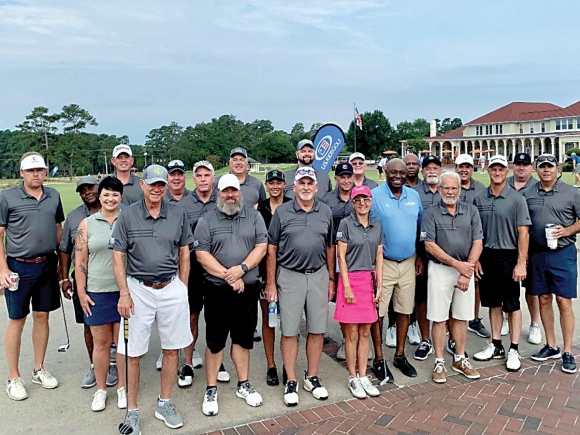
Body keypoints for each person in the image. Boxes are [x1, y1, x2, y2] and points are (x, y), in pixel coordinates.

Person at [112, 164, 193, 433]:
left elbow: (184, 251)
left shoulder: (178, 214)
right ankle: (132, 410)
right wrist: (124, 292)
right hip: (137, 289)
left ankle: (164, 402)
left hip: (171, 286)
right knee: (132, 352)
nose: (157, 189)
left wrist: (182, 286)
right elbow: (118, 256)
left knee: (172, 348)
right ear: (142, 186)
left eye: (162, 184)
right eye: (153, 184)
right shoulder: (127, 215)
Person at [194, 173, 268, 416]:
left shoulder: (255, 217)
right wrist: (229, 275)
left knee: (243, 339)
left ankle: (243, 384)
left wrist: (241, 270)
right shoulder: (206, 220)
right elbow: (202, 255)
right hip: (216, 291)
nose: (229, 195)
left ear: (240, 193)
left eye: (233, 191)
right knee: (215, 342)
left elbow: (261, 247)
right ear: (218, 193)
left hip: (247, 290)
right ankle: (211, 388)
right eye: (225, 191)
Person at [266, 167, 335, 407]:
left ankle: (311, 377)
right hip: (290, 276)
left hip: (318, 274)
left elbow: (330, 247)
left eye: (310, 183)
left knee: (317, 330)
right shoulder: (282, 212)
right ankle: (291, 380)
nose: (306, 187)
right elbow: (272, 247)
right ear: (293, 187)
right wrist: (271, 281)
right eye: (301, 183)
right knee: (290, 331)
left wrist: (331, 279)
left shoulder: (325, 211)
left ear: (316, 187)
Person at [1, 152, 63, 401]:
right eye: (31, 170)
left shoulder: (54, 196)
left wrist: (62, 261)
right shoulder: (7, 197)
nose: (36, 174)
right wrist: (3, 269)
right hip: (19, 265)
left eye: (40, 170)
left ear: (45, 172)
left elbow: (58, 228)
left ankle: (38, 368)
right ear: (22, 173)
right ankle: (13, 377)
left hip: (47, 263)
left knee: (42, 315)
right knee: (17, 320)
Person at [160, 159, 218, 386]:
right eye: (199, 176)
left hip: (215, 267)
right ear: (194, 179)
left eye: (207, 176)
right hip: (192, 268)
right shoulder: (183, 204)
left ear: (213, 178)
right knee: (191, 315)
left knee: (215, 317)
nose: (203, 180)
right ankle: (188, 363)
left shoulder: (220, 200)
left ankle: (217, 359)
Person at [422, 172, 483, 383]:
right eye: (445, 188)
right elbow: (429, 244)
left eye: (453, 188)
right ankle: (439, 361)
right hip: (441, 269)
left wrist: (467, 268)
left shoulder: (471, 211)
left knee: (462, 316)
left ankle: (459, 358)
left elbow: (478, 242)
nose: (450, 192)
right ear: (439, 190)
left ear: (460, 189)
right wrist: (457, 265)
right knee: (439, 317)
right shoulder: (430, 213)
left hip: (466, 268)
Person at [472, 155, 531, 372]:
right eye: (493, 169)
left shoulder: (517, 199)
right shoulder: (479, 199)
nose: (497, 173)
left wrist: (521, 263)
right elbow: (475, 232)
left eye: (501, 170)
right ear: (488, 171)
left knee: (512, 305)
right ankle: (496, 344)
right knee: (493, 304)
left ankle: (513, 348)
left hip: (509, 256)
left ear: (507, 172)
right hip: (487, 256)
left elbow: (523, 233)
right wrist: (476, 258)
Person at [59, 176, 118, 389]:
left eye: (91, 188)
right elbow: (65, 248)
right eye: (82, 190)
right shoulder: (76, 218)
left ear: (99, 188)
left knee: (117, 329)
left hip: (117, 282)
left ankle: (113, 364)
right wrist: (64, 277)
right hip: (86, 281)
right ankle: (95, 365)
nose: (87, 192)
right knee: (89, 324)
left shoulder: (120, 212)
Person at [524, 154, 580, 374]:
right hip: (537, 253)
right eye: (542, 167)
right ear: (536, 170)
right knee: (543, 298)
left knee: (564, 302)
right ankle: (551, 345)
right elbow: (524, 225)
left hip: (563, 253)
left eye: (550, 166)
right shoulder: (528, 193)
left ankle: (567, 351)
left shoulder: (572, 193)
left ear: (557, 169)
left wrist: (566, 230)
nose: (546, 170)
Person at [74, 176, 124, 411]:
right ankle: (101, 390)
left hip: (125, 292)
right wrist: (81, 292)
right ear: (100, 196)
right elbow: (80, 261)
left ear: (121, 197)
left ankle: (123, 387)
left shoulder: (129, 219)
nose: (110, 198)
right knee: (101, 343)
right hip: (97, 291)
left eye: (115, 194)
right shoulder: (87, 224)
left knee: (123, 344)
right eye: (106, 194)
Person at [371, 158, 423, 378]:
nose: (398, 176)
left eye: (402, 172)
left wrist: (419, 255)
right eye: (393, 172)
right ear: (385, 172)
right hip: (384, 263)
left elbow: (420, 228)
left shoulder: (414, 196)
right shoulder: (375, 196)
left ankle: (400, 355)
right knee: (379, 313)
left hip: (409, 261)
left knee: (404, 310)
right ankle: (379, 358)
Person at [335, 185, 382, 399]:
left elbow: (379, 256)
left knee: (365, 332)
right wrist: (346, 286)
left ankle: (364, 375)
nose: (362, 203)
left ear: (371, 201)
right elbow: (341, 257)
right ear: (353, 203)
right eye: (358, 200)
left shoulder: (377, 226)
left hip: (368, 281)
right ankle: (352, 376)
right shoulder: (345, 224)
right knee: (351, 334)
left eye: (366, 199)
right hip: (350, 280)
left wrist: (380, 285)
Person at [257, 170, 291, 387]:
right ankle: (271, 365)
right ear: (267, 185)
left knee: (289, 322)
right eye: (271, 183)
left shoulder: (292, 205)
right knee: (268, 319)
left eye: (279, 182)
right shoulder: (259, 208)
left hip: (288, 269)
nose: (275, 186)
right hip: (263, 271)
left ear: (284, 185)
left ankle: (288, 367)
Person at [507, 152, 542, 345]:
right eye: (518, 164)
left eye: (525, 165)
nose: (521, 168)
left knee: (531, 288)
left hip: (530, 246)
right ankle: (506, 319)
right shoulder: (503, 184)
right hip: (506, 244)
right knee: (506, 286)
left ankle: (534, 324)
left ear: (531, 167)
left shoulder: (537, 187)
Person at [322, 163, 355, 361]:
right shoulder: (327, 200)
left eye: (348, 176)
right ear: (336, 179)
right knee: (338, 298)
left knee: (354, 299)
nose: (345, 180)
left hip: (356, 255)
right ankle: (341, 337)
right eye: (341, 177)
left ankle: (351, 340)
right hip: (333, 254)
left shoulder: (359, 198)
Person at [454, 154, 489, 340]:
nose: (464, 170)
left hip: (474, 243)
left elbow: (483, 222)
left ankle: (474, 319)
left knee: (474, 283)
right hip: (452, 244)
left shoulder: (481, 190)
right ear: (456, 168)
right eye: (461, 166)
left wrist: (478, 256)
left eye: (467, 166)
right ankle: (451, 320)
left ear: (472, 169)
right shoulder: (450, 187)